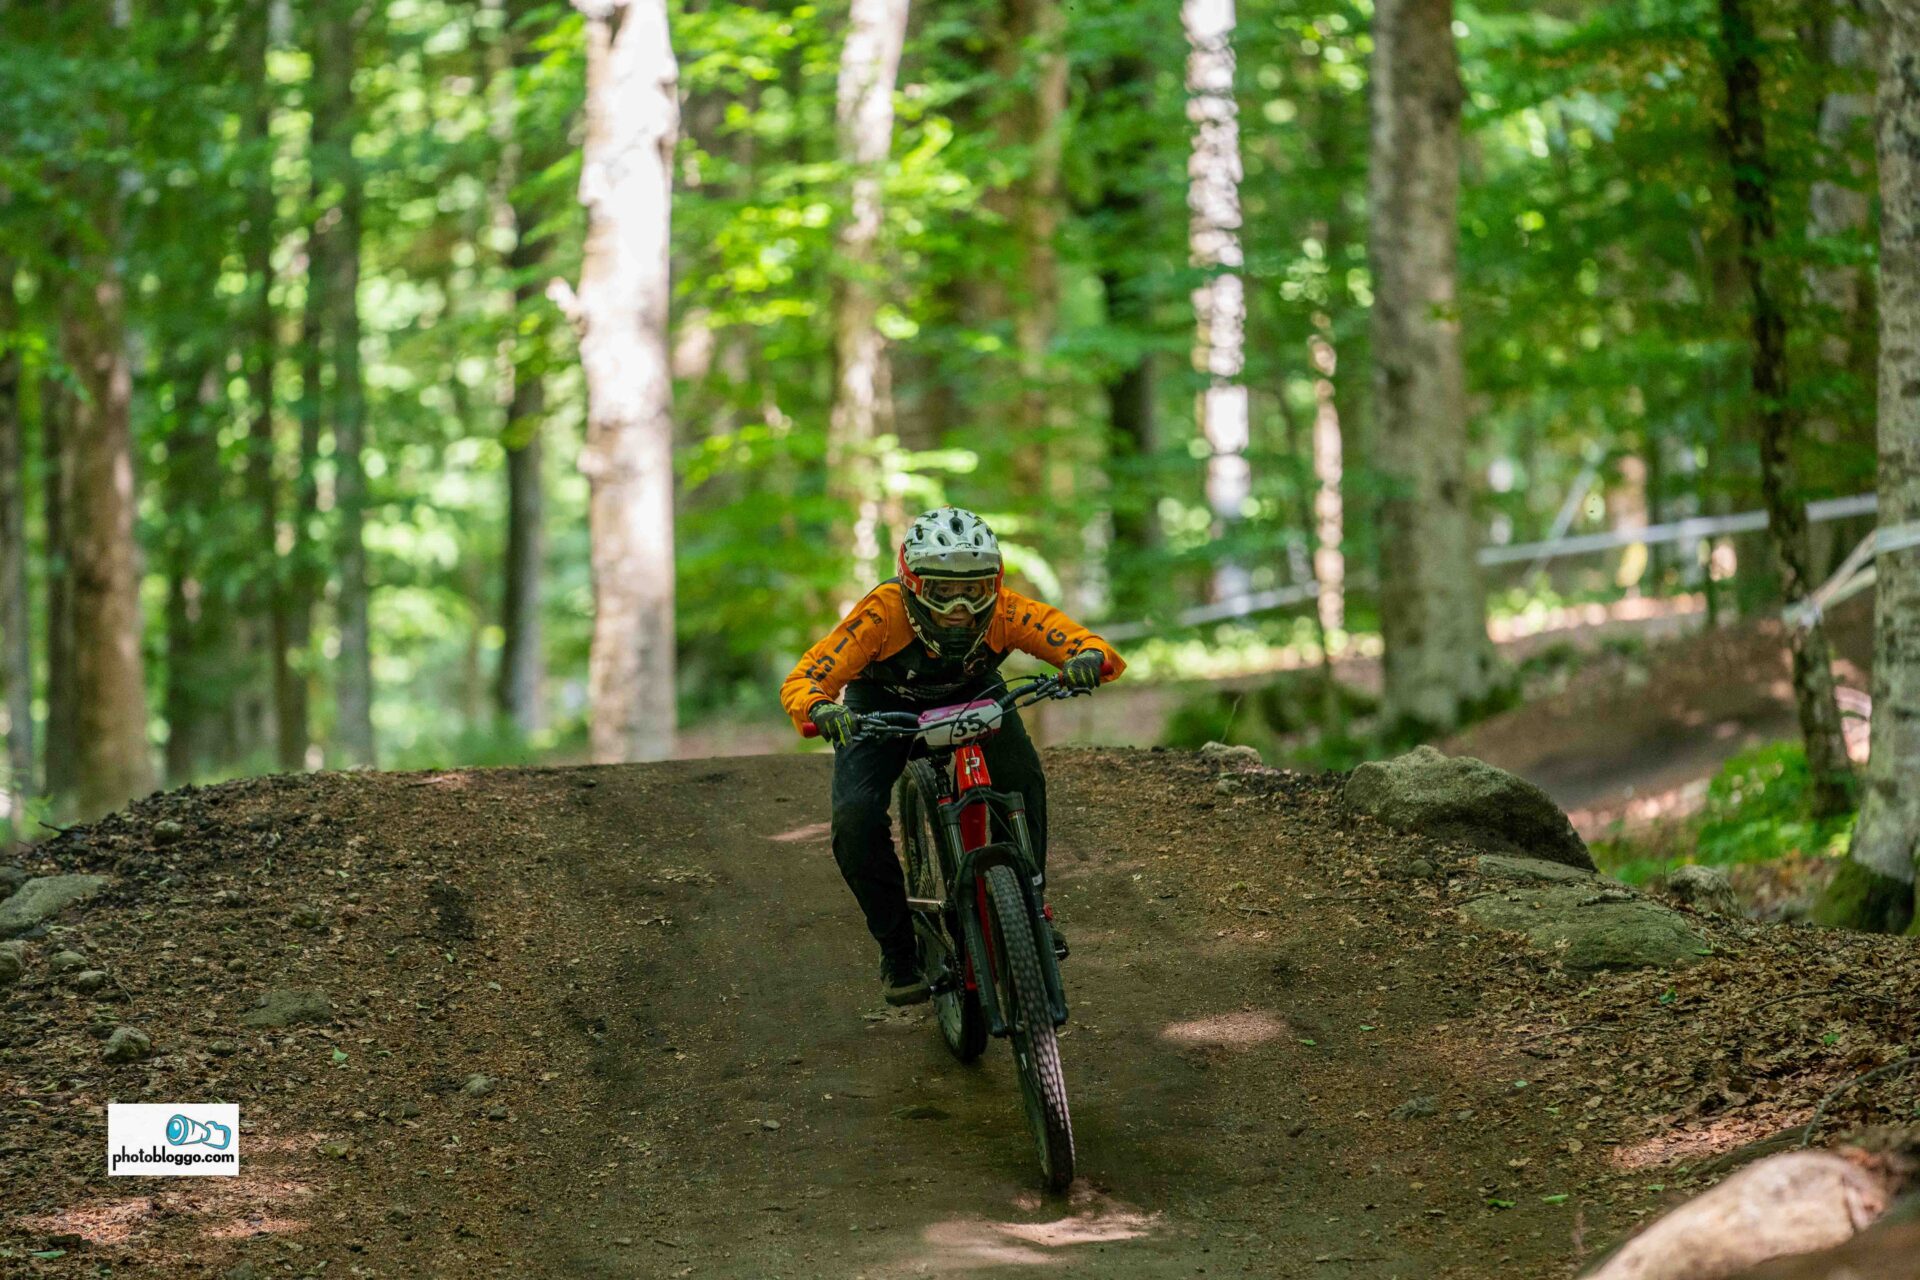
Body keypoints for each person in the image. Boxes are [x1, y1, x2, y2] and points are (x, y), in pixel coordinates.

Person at [780, 506, 1126, 1006]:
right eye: (943, 591)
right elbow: (806, 677)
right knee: (855, 818)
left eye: (975, 589)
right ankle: (899, 950)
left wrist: (1088, 659)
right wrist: (819, 707)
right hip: (882, 705)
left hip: (973, 693)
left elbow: (1078, 640)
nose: (960, 607)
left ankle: (1031, 905)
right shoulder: (881, 613)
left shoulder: (1006, 611)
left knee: (1022, 777)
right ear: (912, 584)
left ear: (995, 584)